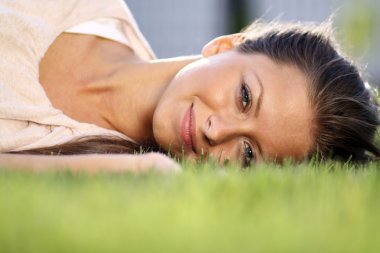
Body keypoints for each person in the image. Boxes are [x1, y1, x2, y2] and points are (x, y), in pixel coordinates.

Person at [0, 0, 379, 173]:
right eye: (244, 98)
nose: (217, 132)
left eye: (248, 153)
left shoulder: (114, 166)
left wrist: (138, 171)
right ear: (225, 45)